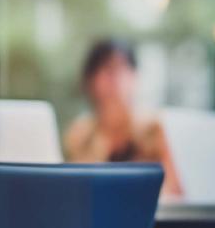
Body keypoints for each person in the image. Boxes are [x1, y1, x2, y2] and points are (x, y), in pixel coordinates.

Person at [62, 39, 178, 198]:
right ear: (90, 80)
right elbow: (72, 190)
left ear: (135, 76)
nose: (114, 78)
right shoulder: (80, 135)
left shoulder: (155, 129)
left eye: (122, 68)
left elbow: (175, 190)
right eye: (106, 69)